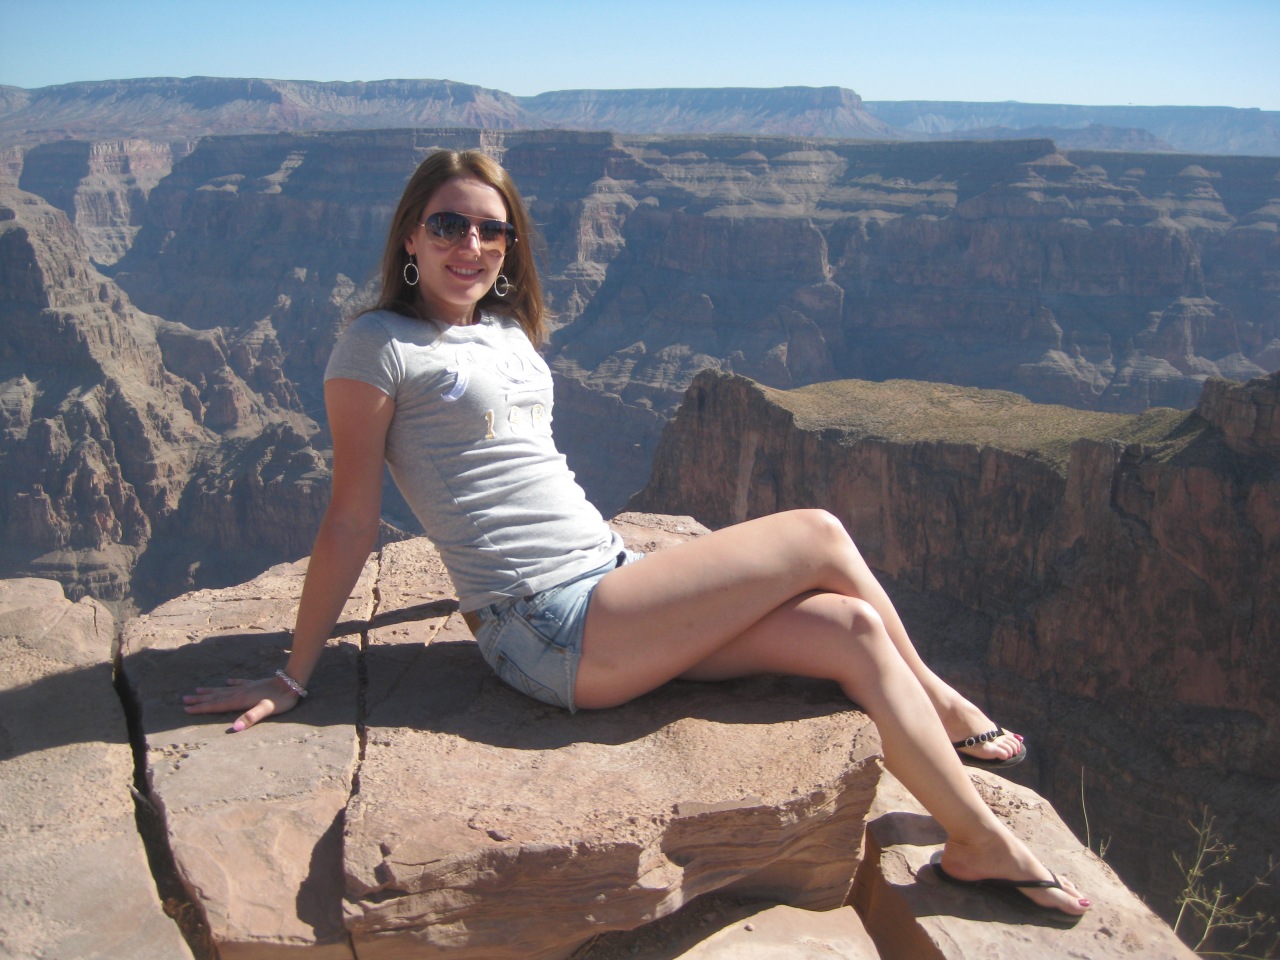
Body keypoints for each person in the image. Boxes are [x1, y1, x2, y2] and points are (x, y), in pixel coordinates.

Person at [184, 149, 1091, 922]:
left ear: (509, 247)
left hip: (613, 581)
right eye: (449, 225)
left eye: (493, 231)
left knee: (853, 631)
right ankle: (944, 701)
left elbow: (504, 477)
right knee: (819, 534)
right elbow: (352, 515)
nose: (472, 246)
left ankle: (974, 840)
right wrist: (293, 675)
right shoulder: (378, 345)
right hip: (547, 624)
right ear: (410, 239)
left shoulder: (503, 333)